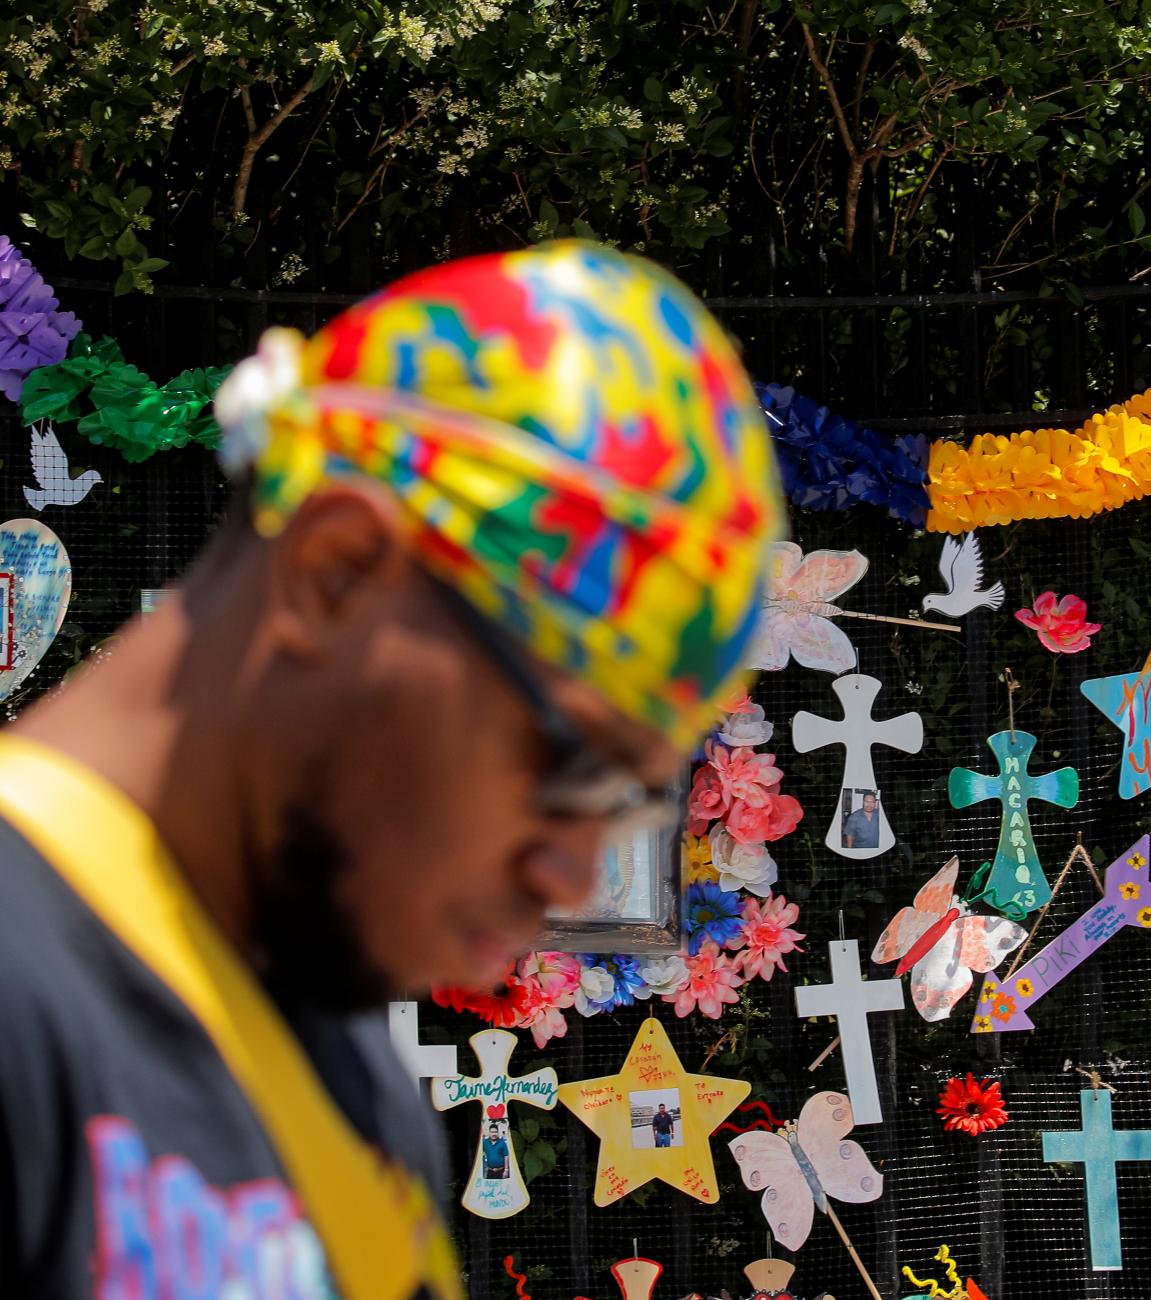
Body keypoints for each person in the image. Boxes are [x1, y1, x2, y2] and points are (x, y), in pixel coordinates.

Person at [0, 242, 785, 1297]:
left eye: (623, 798)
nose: (567, 873)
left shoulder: (348, 1069)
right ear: (336, 573)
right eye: (567, 762)